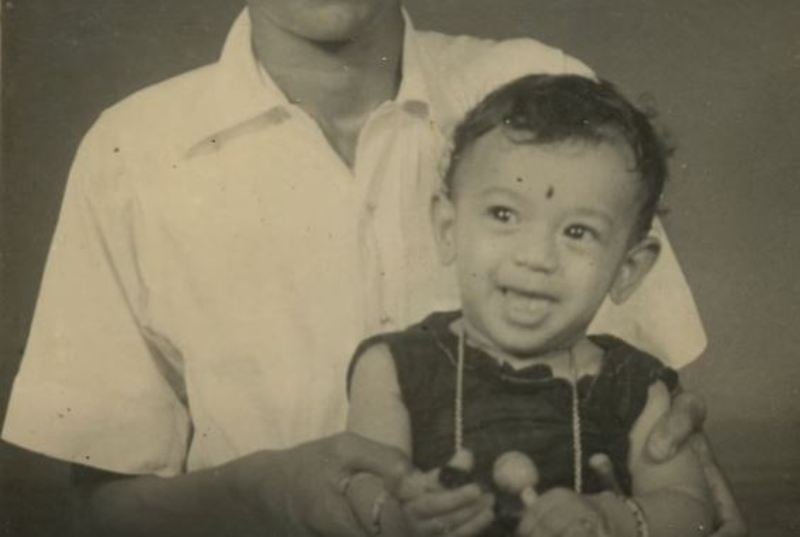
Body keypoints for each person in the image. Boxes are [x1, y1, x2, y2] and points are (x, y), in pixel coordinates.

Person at [1, 1, 743, 536]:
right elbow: (100, 512)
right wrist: (265, 493)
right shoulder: (132, 151)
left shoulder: (541, 91)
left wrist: (635, 514)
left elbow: (674, 451)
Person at [346, 74, 713, 537]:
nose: (536, 257)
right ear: (447, 227)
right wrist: (400, 514)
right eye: (504, 215)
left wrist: (612, 519)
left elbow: (691, 508)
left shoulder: (634, 388)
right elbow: (362, 490)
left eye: (577, 232)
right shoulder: (393, 370)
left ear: (628, 268)